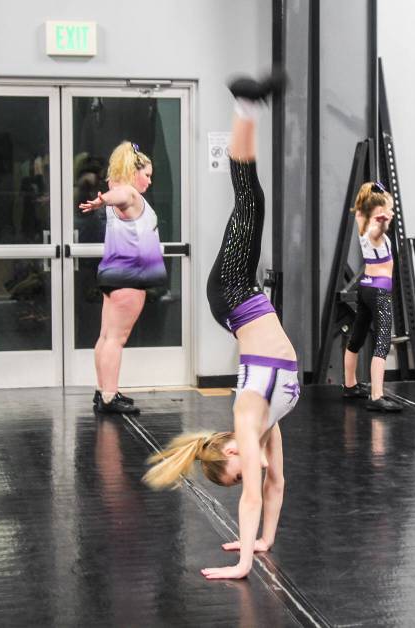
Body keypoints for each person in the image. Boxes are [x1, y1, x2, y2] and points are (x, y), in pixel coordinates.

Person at [143, 69, 297, 580]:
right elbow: (274, 486)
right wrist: (265, 540)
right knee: (255, 202)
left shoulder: (249, 418)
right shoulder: (268, 425)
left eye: (234, 472)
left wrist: (243, 564)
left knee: (250, 203)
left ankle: (244, 106)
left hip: (231, 293)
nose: (245, 475)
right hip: (241, 300)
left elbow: (253, 494)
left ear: (233, 450)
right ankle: (247, 107)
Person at [79, 142, 167, 414]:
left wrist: (104, 198)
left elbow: (115, 190)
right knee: (116, 339)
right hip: (129, 276)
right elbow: (120, 194)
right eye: (147, 175)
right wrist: (102, 200)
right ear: (132, 173)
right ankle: (108, 396)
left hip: (114, 274)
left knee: (107, 336)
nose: (149, 181)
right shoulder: (129, 194)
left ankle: (104, 391)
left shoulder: (122, 192)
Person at [341, 182, 402, 412]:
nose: (391, 213)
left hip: (365, 288)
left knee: (356, 338)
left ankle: (350, 385)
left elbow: (362, 204)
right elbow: (379, 231)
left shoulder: (362, 221)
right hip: (379, 292)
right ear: (378, 213)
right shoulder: (375, 231)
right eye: (389, 210)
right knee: (383, 342)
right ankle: (376, 396)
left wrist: (375, 196)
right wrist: (383, 223)